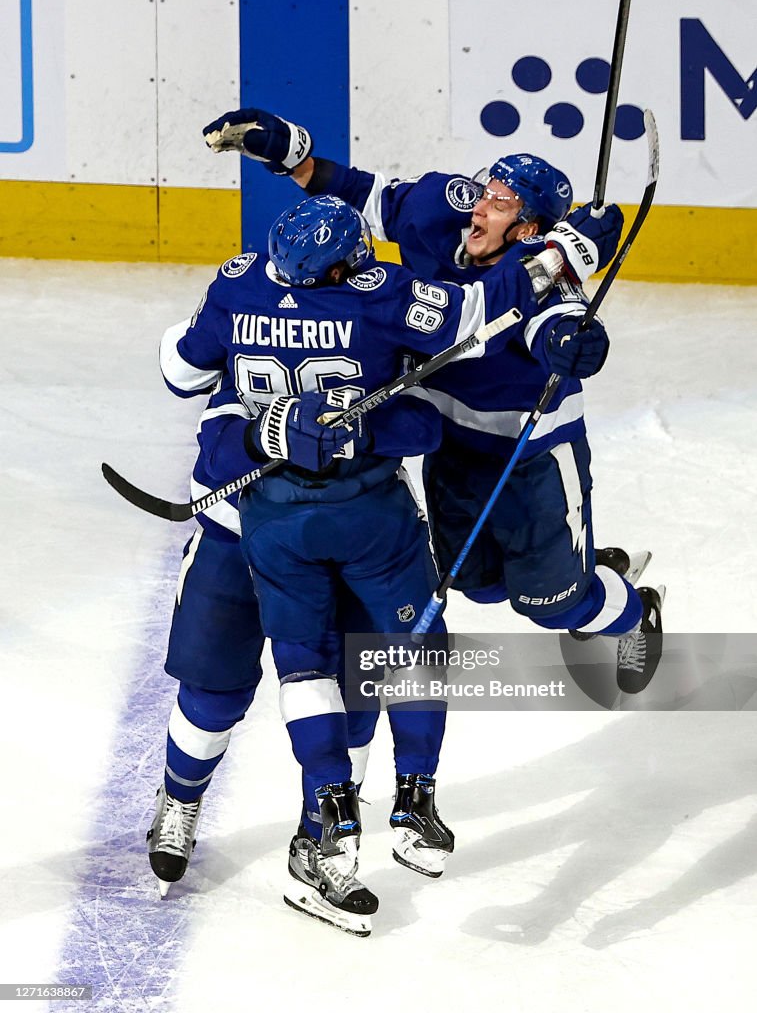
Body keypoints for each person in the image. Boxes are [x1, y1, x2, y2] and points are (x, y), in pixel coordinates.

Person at [148, 193, 574, 934]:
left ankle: (320, 847)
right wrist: (561, 254)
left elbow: (182, 376)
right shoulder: (387, 297)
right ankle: (188, 804)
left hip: (263, 509)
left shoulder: (239, 281)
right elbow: (472, 318)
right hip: (278, 522)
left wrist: (264, 432)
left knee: (337, 684)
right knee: (237, 689)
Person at [203, 107, 663, 693]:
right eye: (486, 191)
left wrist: (574, 346)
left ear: (528, 231)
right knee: (478, 581)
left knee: (553, 603)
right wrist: (293, 159)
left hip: (530, 456)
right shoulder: (443, 210)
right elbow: (365, 196)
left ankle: (632, 610)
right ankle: (586, 568)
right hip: (451, 445)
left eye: (500, 204)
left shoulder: (549, 280)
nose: (479, 206)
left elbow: (556, 326)